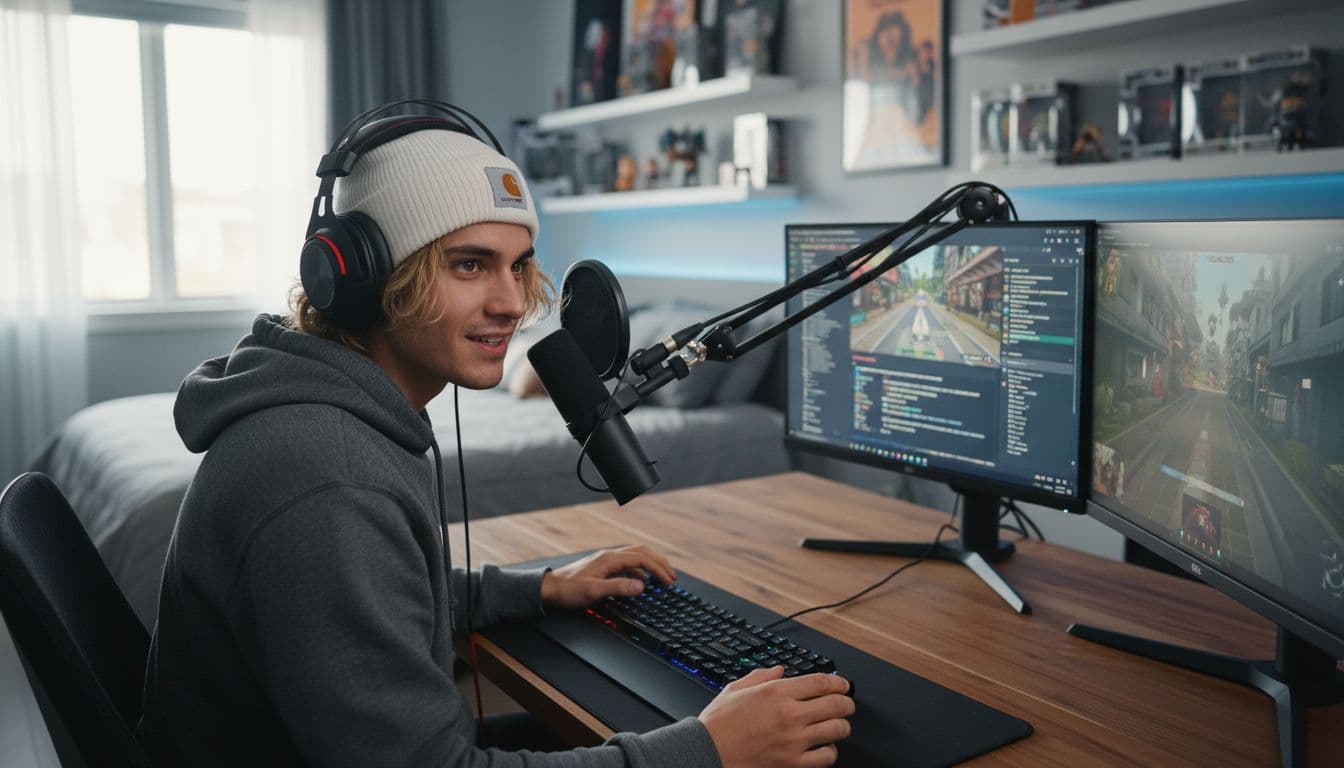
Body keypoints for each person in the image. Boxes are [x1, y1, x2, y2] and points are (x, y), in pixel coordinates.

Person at [137, 103, 854, 767]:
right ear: (363, 278)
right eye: (469, 264)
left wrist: (538, 586)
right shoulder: (327, 476)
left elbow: (381, 597)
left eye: (519, 266)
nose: (513, 304)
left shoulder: (351, 411)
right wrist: (706, 751)